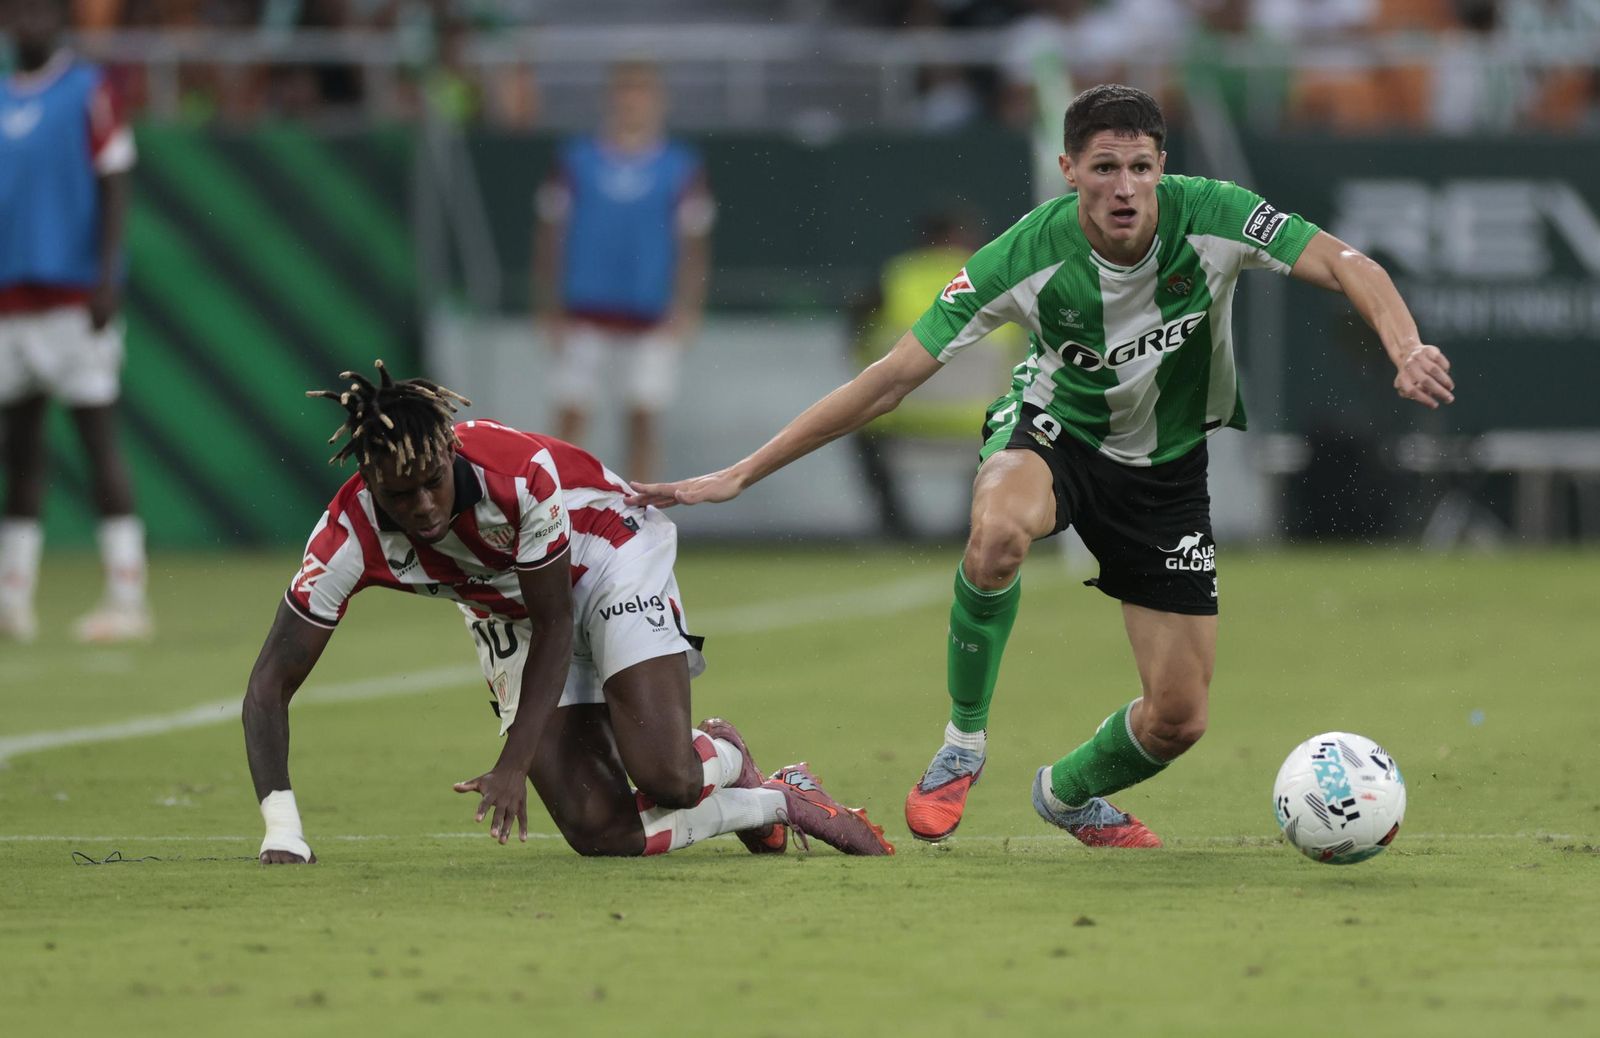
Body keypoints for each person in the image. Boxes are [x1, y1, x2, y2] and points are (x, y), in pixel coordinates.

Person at [629, 85, 1454, 849]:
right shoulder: (1023, 255)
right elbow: (888, 380)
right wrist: (745, 472)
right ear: (1070, 172)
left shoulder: (1215, 215)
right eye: (1104, 169)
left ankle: (1066, 793)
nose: (1124, 187)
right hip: (1054, 433)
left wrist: (1406, 344)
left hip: (1166, 473)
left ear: (1162, 167)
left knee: (1179, 717)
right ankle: (961, 743)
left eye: (1139, 167)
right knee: (997, 532)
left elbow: (1351, 264)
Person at [242, 360, 892, 863]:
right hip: (507, 603)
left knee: (667, 776)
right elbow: (270, 685)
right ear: (367, 477)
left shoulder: (519, 478)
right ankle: (778, 800)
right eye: (398, 493)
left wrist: (513, 764)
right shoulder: (347, 536)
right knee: (596, 829)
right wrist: (283, 829)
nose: (422, 508)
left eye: (430, 483)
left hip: (609, 556)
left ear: (449, 454)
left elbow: (556, 622)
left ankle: (721, 753)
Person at [0, 0, 150, 643]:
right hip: (10, 302)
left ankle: (127, 594)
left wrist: (107, 276)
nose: (28, 21)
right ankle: (14, 599)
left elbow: (115, 178)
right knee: (20, 451)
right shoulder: (2, 96)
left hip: (72, 297)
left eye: (40, 10)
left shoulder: (88, 89)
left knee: (96, 441)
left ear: (59, 21)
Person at [533, 61, 712, 485]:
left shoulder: (680, 167)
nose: (633, 101)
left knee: (644, 418)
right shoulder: (577, 161)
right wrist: (546, 306)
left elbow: (694, 244)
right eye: (625, 91)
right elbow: (550, 234)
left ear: (658, 101)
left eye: (642, 92)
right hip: (584, 310)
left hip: (650, 315)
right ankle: (554, 515)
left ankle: (639, 518)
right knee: (570, 417)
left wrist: (688, 308)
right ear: (611, 98)